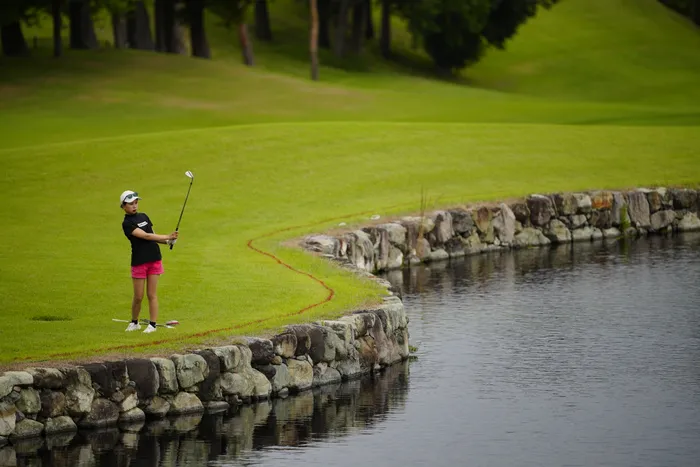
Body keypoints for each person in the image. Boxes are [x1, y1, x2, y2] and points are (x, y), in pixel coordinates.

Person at [120, 190, 178, 333]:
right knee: (138, 296)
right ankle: (135, 322)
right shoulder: (127, 223)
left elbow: (152, 235)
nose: (134, 206)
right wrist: (167, 236)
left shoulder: (144, 216)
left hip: (154, 258)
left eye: (136, 203)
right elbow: (146, 236)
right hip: (139, 261)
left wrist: (168, 241)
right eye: (130, 204)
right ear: (123, 206)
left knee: (152, 294)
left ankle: (152, 324)